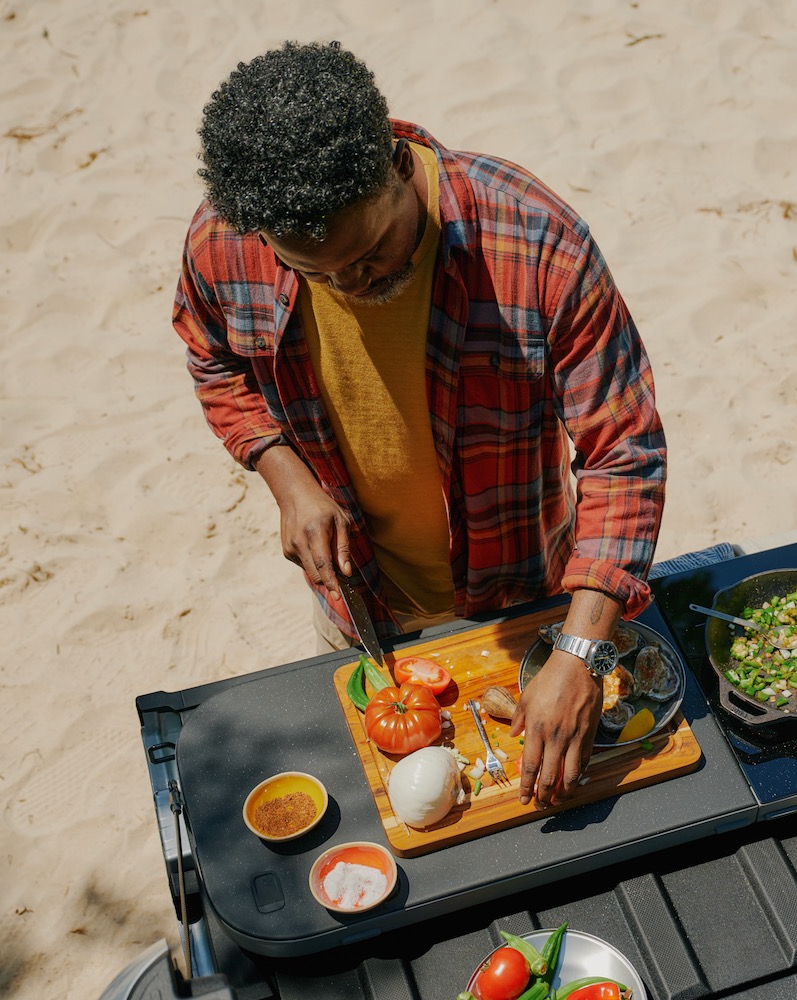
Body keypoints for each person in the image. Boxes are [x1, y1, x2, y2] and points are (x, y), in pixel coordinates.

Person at [171, 41, 666, 808]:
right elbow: (213, 363)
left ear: (399, 168)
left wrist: (580, 648)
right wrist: (283, 473)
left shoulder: (536, 243)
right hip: (356, 602)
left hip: (525, 594)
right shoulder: (226, 241)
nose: (350, 284)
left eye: (367, 255)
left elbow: (623, 452)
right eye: (316, 271)